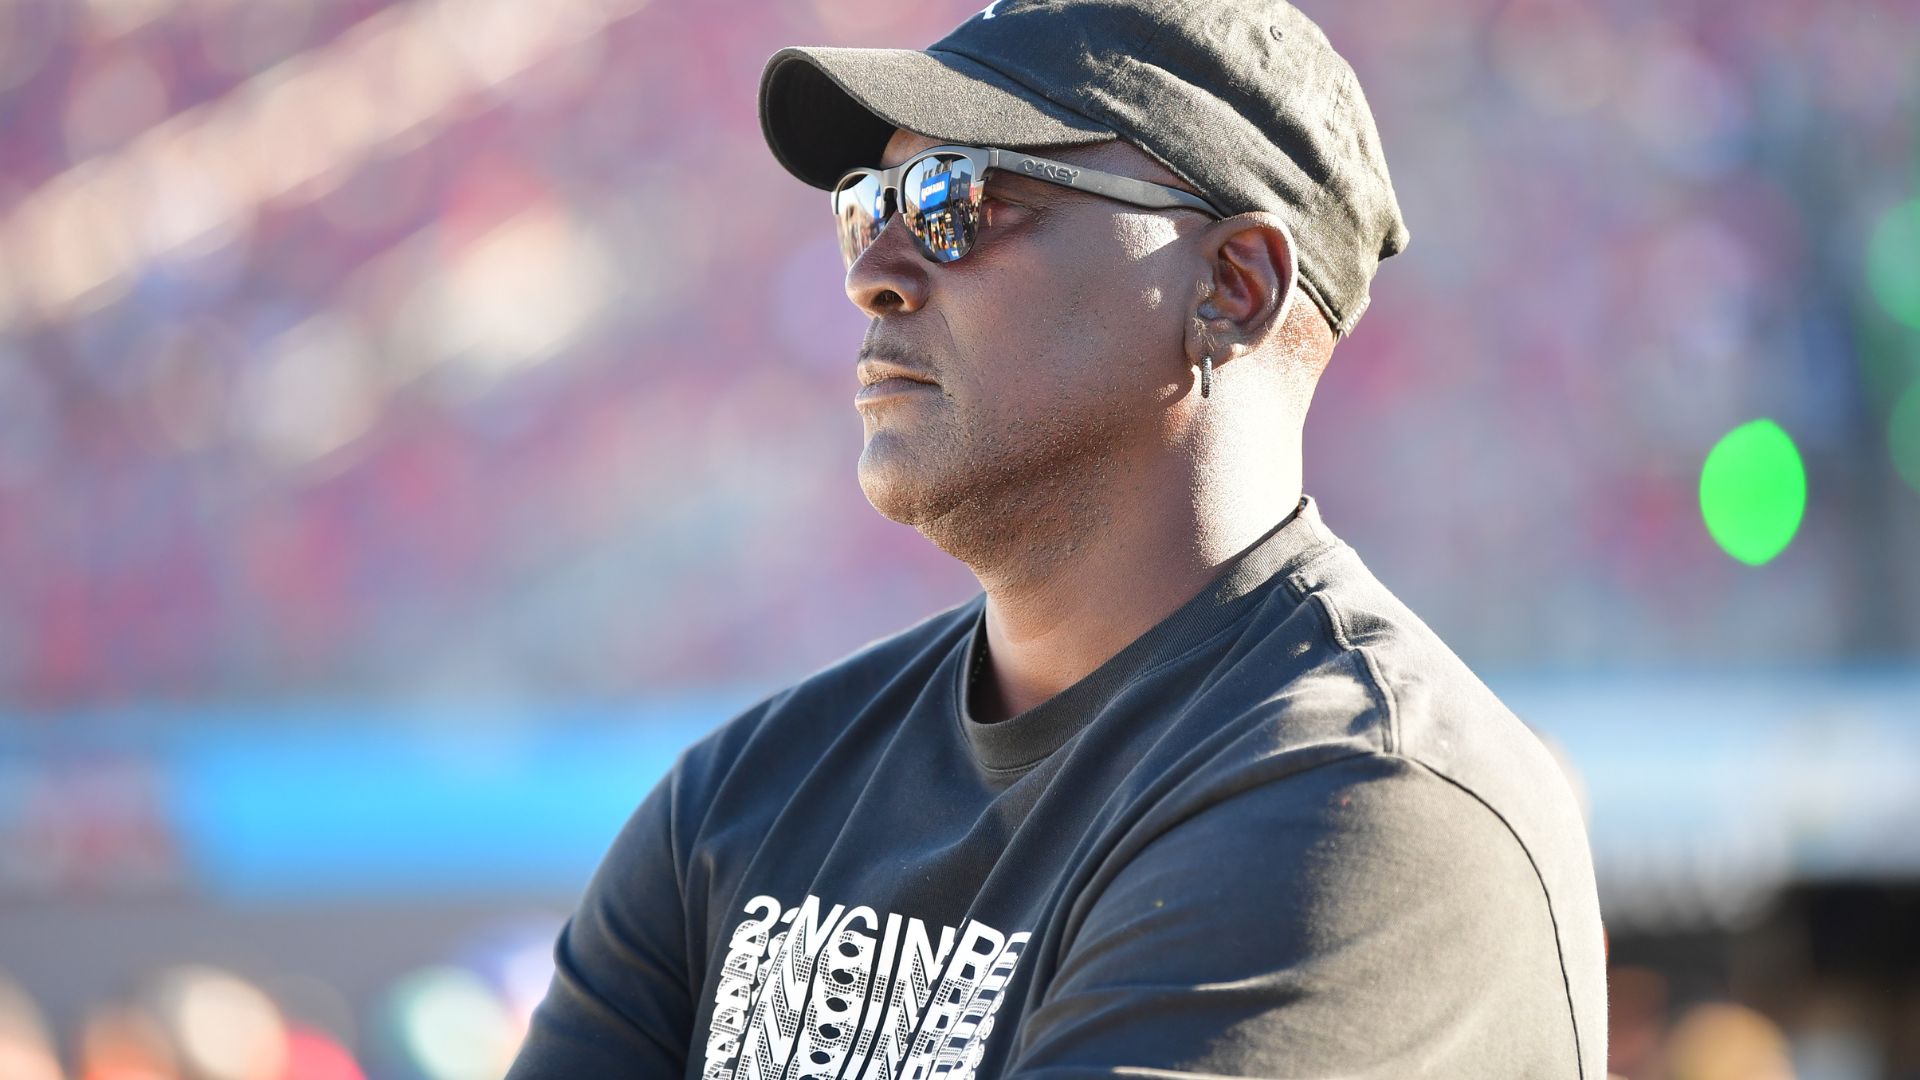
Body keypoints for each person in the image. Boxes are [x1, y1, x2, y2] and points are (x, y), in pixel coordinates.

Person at [507, 1, 1607, 1077]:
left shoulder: (1364, 801)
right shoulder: (742, 798)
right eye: (868, 205)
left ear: (1234, 285)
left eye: (958, 199)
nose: (870, 271)